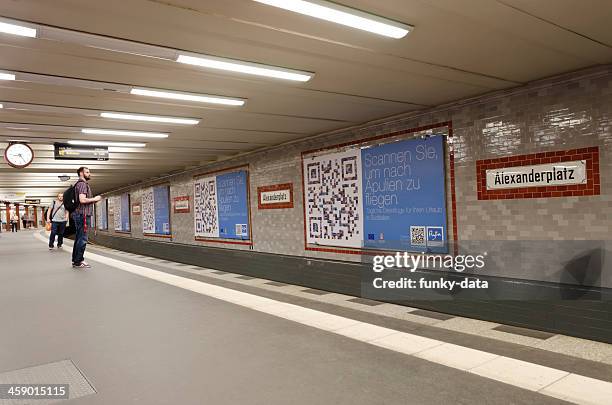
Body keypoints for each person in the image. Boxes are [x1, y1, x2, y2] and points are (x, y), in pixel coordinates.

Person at [71, 167, 101, 269]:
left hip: (79, 214)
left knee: (79, 238)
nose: (89, 174)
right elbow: (82, 200)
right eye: (87, 172)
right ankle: (79, 261)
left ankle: (76, 260)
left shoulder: (78, 184)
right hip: (82, 214)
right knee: (83, 239)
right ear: (81, 173)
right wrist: (95, 199)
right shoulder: (82, 184)